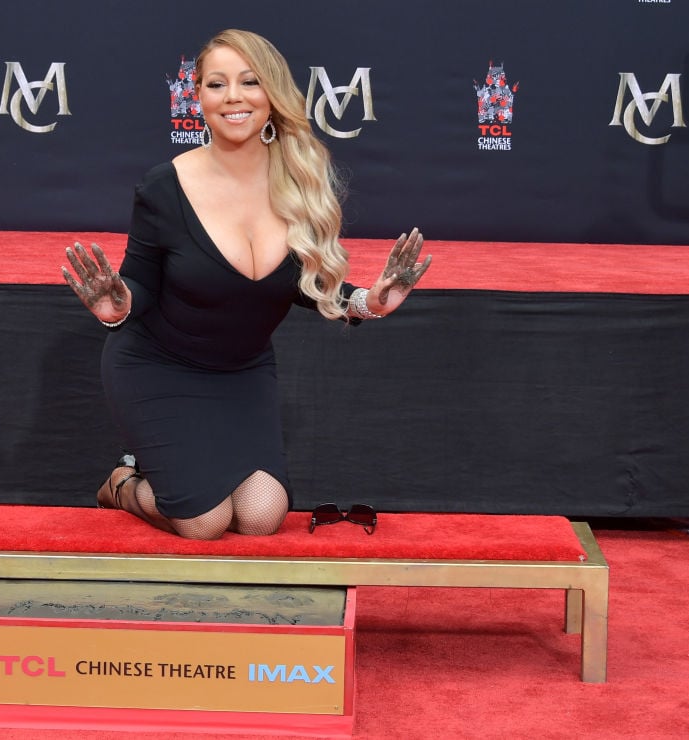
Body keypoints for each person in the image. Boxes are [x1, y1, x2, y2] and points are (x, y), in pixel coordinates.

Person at [62, 29, 430, 540]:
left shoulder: (300, 181)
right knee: (204, 523)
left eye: (249, 81)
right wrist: (117, 305)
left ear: (272, 94)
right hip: (156, 367)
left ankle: (176, 477)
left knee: (261, 517)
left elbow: (309, 286)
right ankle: (122, 483)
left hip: (241, 372)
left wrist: (371, 302)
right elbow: (139, 285)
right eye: (217, 84)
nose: (233, 96)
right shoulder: (164, 186)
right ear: (200, 98)